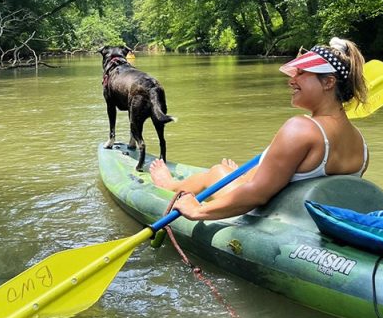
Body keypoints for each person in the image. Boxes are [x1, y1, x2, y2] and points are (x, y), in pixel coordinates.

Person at [149, 37, 369, 221]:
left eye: (301, 73)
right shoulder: (360, 143)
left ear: (329, 82)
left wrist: (197, 210)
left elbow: (257, 195)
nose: (291, 80)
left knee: (217, 172)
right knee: (237, 175)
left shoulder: (302, 128)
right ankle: (241, 175)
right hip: (305, 219)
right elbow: (299, 177)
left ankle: (170, 185)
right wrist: (247, 176)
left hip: (272, 215)